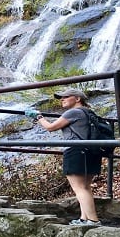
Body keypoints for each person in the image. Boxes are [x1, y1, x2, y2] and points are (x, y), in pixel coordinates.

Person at [35, 88, 102, 226]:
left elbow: (51, 127)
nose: (62, 99)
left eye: (66, 96)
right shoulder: (89, 112)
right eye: (61, 97)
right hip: (91, 151)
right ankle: (84, 218)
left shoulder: (73, 112)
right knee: (85, 187)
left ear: (77, 99)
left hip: (75, 151)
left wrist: (38, 117)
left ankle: (93, 220)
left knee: (79, 188)